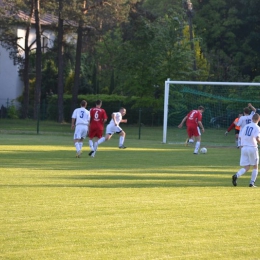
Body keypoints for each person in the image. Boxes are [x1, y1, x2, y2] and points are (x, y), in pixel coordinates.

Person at [232, 113, 260, 187]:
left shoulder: (246, 126)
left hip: (244, 148)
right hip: (252, 147)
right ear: (259, 119)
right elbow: (257, 138)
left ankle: (236, 175)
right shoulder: (257, 127)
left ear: (252, 119)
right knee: (255, 166)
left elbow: (240, 137)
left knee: (247, 167)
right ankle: (252, 183)